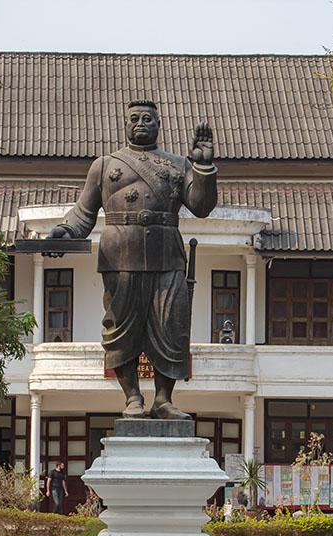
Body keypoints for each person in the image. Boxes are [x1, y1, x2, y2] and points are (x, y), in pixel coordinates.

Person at [47, 99, 218, 419]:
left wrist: (203, 168)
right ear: (124, 124)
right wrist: (66, 231)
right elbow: (83, 214)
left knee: (174, 327)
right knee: (120, 329)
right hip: (120, 256)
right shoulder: (104, 165)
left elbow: (201, 206)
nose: (141, 123)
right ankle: (133, 398)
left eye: (148, 119)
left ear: (159, 124)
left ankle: (164, 399)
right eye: (134, 118)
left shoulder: (177, 164)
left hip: (167, 255)